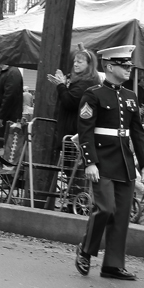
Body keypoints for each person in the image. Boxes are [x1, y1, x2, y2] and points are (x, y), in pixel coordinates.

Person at [74, 45, 144, 280]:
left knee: (122, 214)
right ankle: (86, 250)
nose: (129, 69)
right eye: (124, 65)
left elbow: (137, 132)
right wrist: (90, 162)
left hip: (124, 162)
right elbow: (84, 130)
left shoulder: (130, 96)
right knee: (105, 208)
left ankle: (113, 265)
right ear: (109, 66)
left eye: (129, 65)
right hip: (101, 160)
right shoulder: (93, 94)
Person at [48, 46, 102, 202]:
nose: (75, 64)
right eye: (75, 61)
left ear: (88, 64)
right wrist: (63, 84)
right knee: (71, 169)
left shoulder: (87, 82)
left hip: (74, 133)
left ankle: (78, 202)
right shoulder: (82, 80)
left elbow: (70, 101)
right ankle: (76, 200)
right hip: (71, 131)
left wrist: (60, 86)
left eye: (80, 62)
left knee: (75, 171)